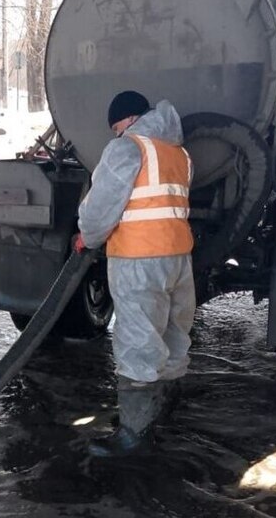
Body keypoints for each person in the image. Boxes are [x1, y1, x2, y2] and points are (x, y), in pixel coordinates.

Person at [75, 90, 195, 456]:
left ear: (128, 120)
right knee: (173, 334)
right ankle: (164, 413)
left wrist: (87, 236)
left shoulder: (128, 149)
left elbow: (101, 210)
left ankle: (134, 434)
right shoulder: (178, 152)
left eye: (116, 127)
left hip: (139, 259)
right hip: (178, 258)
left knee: (138, 341)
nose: (116, 134)